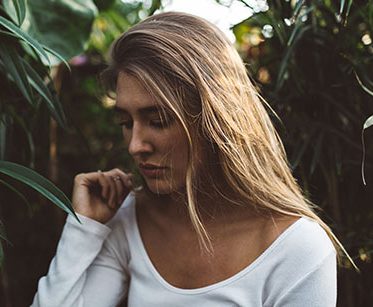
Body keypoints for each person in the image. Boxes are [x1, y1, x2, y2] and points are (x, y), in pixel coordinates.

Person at [32, 12, 347, 307]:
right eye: (126, 123)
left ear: (214, 120)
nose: (135, 146)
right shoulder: (131, 219)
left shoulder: (296, 248)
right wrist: (83, 229)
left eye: (157, 120)